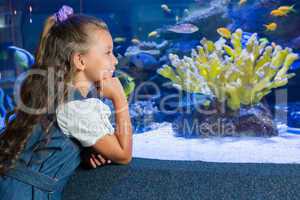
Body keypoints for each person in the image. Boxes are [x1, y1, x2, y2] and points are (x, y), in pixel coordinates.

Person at [0, 5, 132, 199]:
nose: (115, 60)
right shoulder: (75, 107)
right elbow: (123, 154)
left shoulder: (57, 91)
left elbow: (53, 140)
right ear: (80, 61)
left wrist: (86, 151)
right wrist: (120, 99)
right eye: (108, 52)